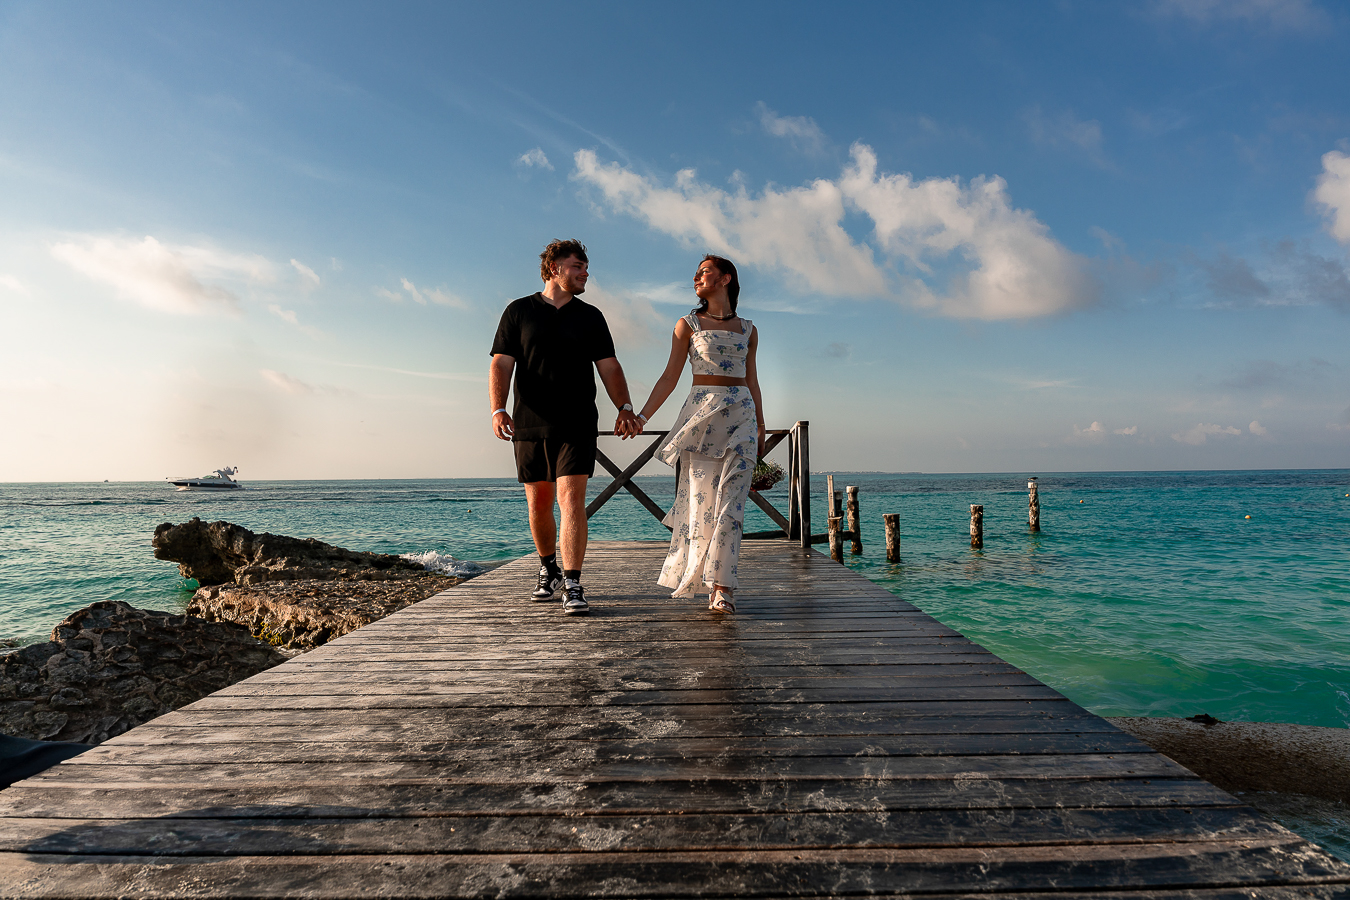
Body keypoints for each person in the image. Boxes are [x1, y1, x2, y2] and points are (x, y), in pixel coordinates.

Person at [489, 239, 642, 615]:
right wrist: (497, 409)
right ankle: (549, 568)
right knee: (538, 503)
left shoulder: (591, 317)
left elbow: (609, 366)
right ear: (554, 268)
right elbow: (501, 364)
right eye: (578, 266)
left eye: (586, 267)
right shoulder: (518, 311)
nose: (585, 273)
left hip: (577, 421)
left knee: (571, 500)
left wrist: (624, 406)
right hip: (528, 422)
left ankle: (572, 582)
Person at [635, 255, 764, 614]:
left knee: (731, 506)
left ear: (725, 278)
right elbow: (669, 376)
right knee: (703, 506)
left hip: (742, 416)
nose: (696, 277)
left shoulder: (749, 329)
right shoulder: (687, 325)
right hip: (702, 418)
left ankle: (723, 588)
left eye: (704, 271)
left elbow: (752, 380)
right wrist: (643, 415)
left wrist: (762, 425)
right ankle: (704, 579)